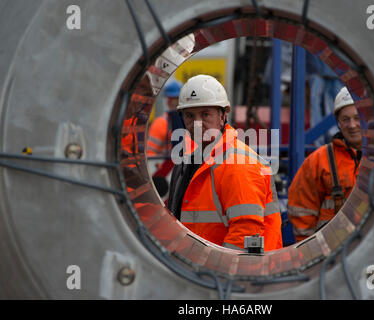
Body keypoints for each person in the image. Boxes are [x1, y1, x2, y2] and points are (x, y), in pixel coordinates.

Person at [167, 74, 282, 251]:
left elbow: (246, 234)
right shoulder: (189, 160)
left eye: (205, 114)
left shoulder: (238, 163)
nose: (197, 124)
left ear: (222, 116)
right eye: (190, 115)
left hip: (227, 274)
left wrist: (217, 273)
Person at [287, 86, 362, 242]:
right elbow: (301, 210)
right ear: (338, 123)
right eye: (345, 119)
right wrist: (308, 253)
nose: (352, 125)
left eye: (358, 118)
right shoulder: (319, 160)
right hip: (333, 253)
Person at [147, 80, 183, 157]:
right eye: (176, 99)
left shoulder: (191, 121)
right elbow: (150, 154)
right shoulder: (160, 123)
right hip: (167, 167)